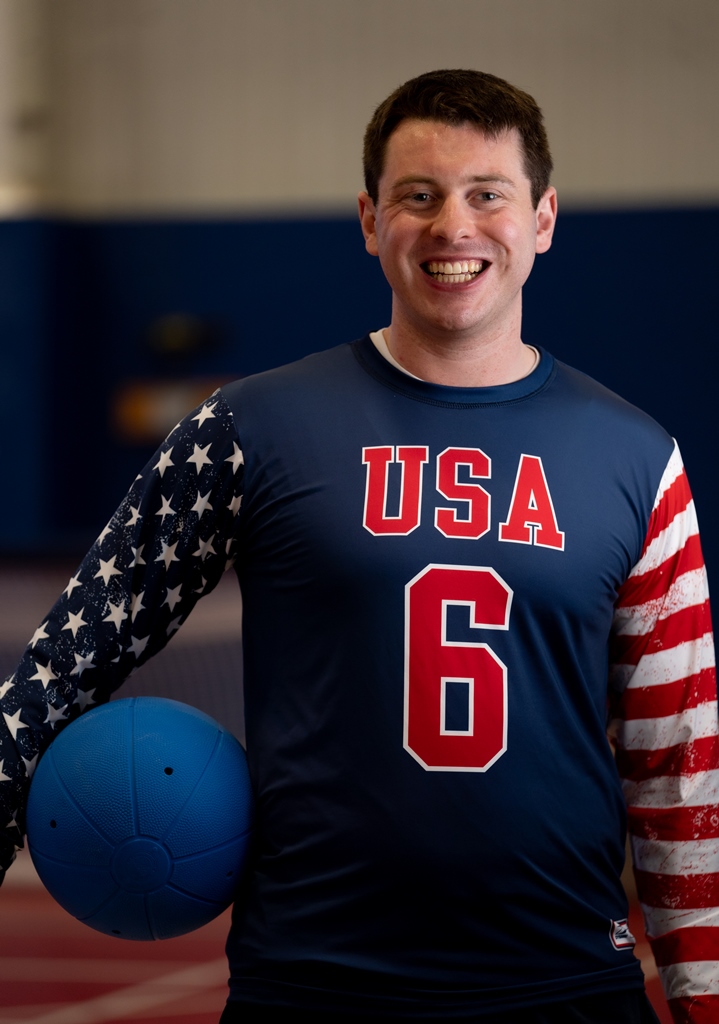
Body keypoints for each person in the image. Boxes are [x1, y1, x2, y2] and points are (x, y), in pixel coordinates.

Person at [0, 69, 716, 1023]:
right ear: (369, 219)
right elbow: (68, 657)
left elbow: (677, 762)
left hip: (563, 983)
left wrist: (703, 995)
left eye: (485, 194)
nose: (452, 225)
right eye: (416, 196)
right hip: (312, 985)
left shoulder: (636, 457)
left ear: (542, 218)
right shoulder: (251, 426)